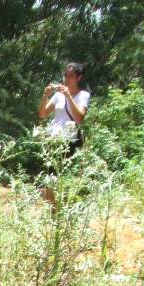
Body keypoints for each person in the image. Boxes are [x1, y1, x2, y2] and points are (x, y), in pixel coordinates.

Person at [37, 62, 90, 203]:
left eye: (71, 76)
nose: (67, 79)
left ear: (79, 78)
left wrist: (69, 96)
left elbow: (80, 118)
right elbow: (42, 114)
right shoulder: (58, 96)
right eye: (66, 75)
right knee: (50, 174)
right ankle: (53, 207)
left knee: (56, 175)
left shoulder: (83, 95)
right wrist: (45, 95)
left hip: (67, 140)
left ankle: (56, 207)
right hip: (51, 138)